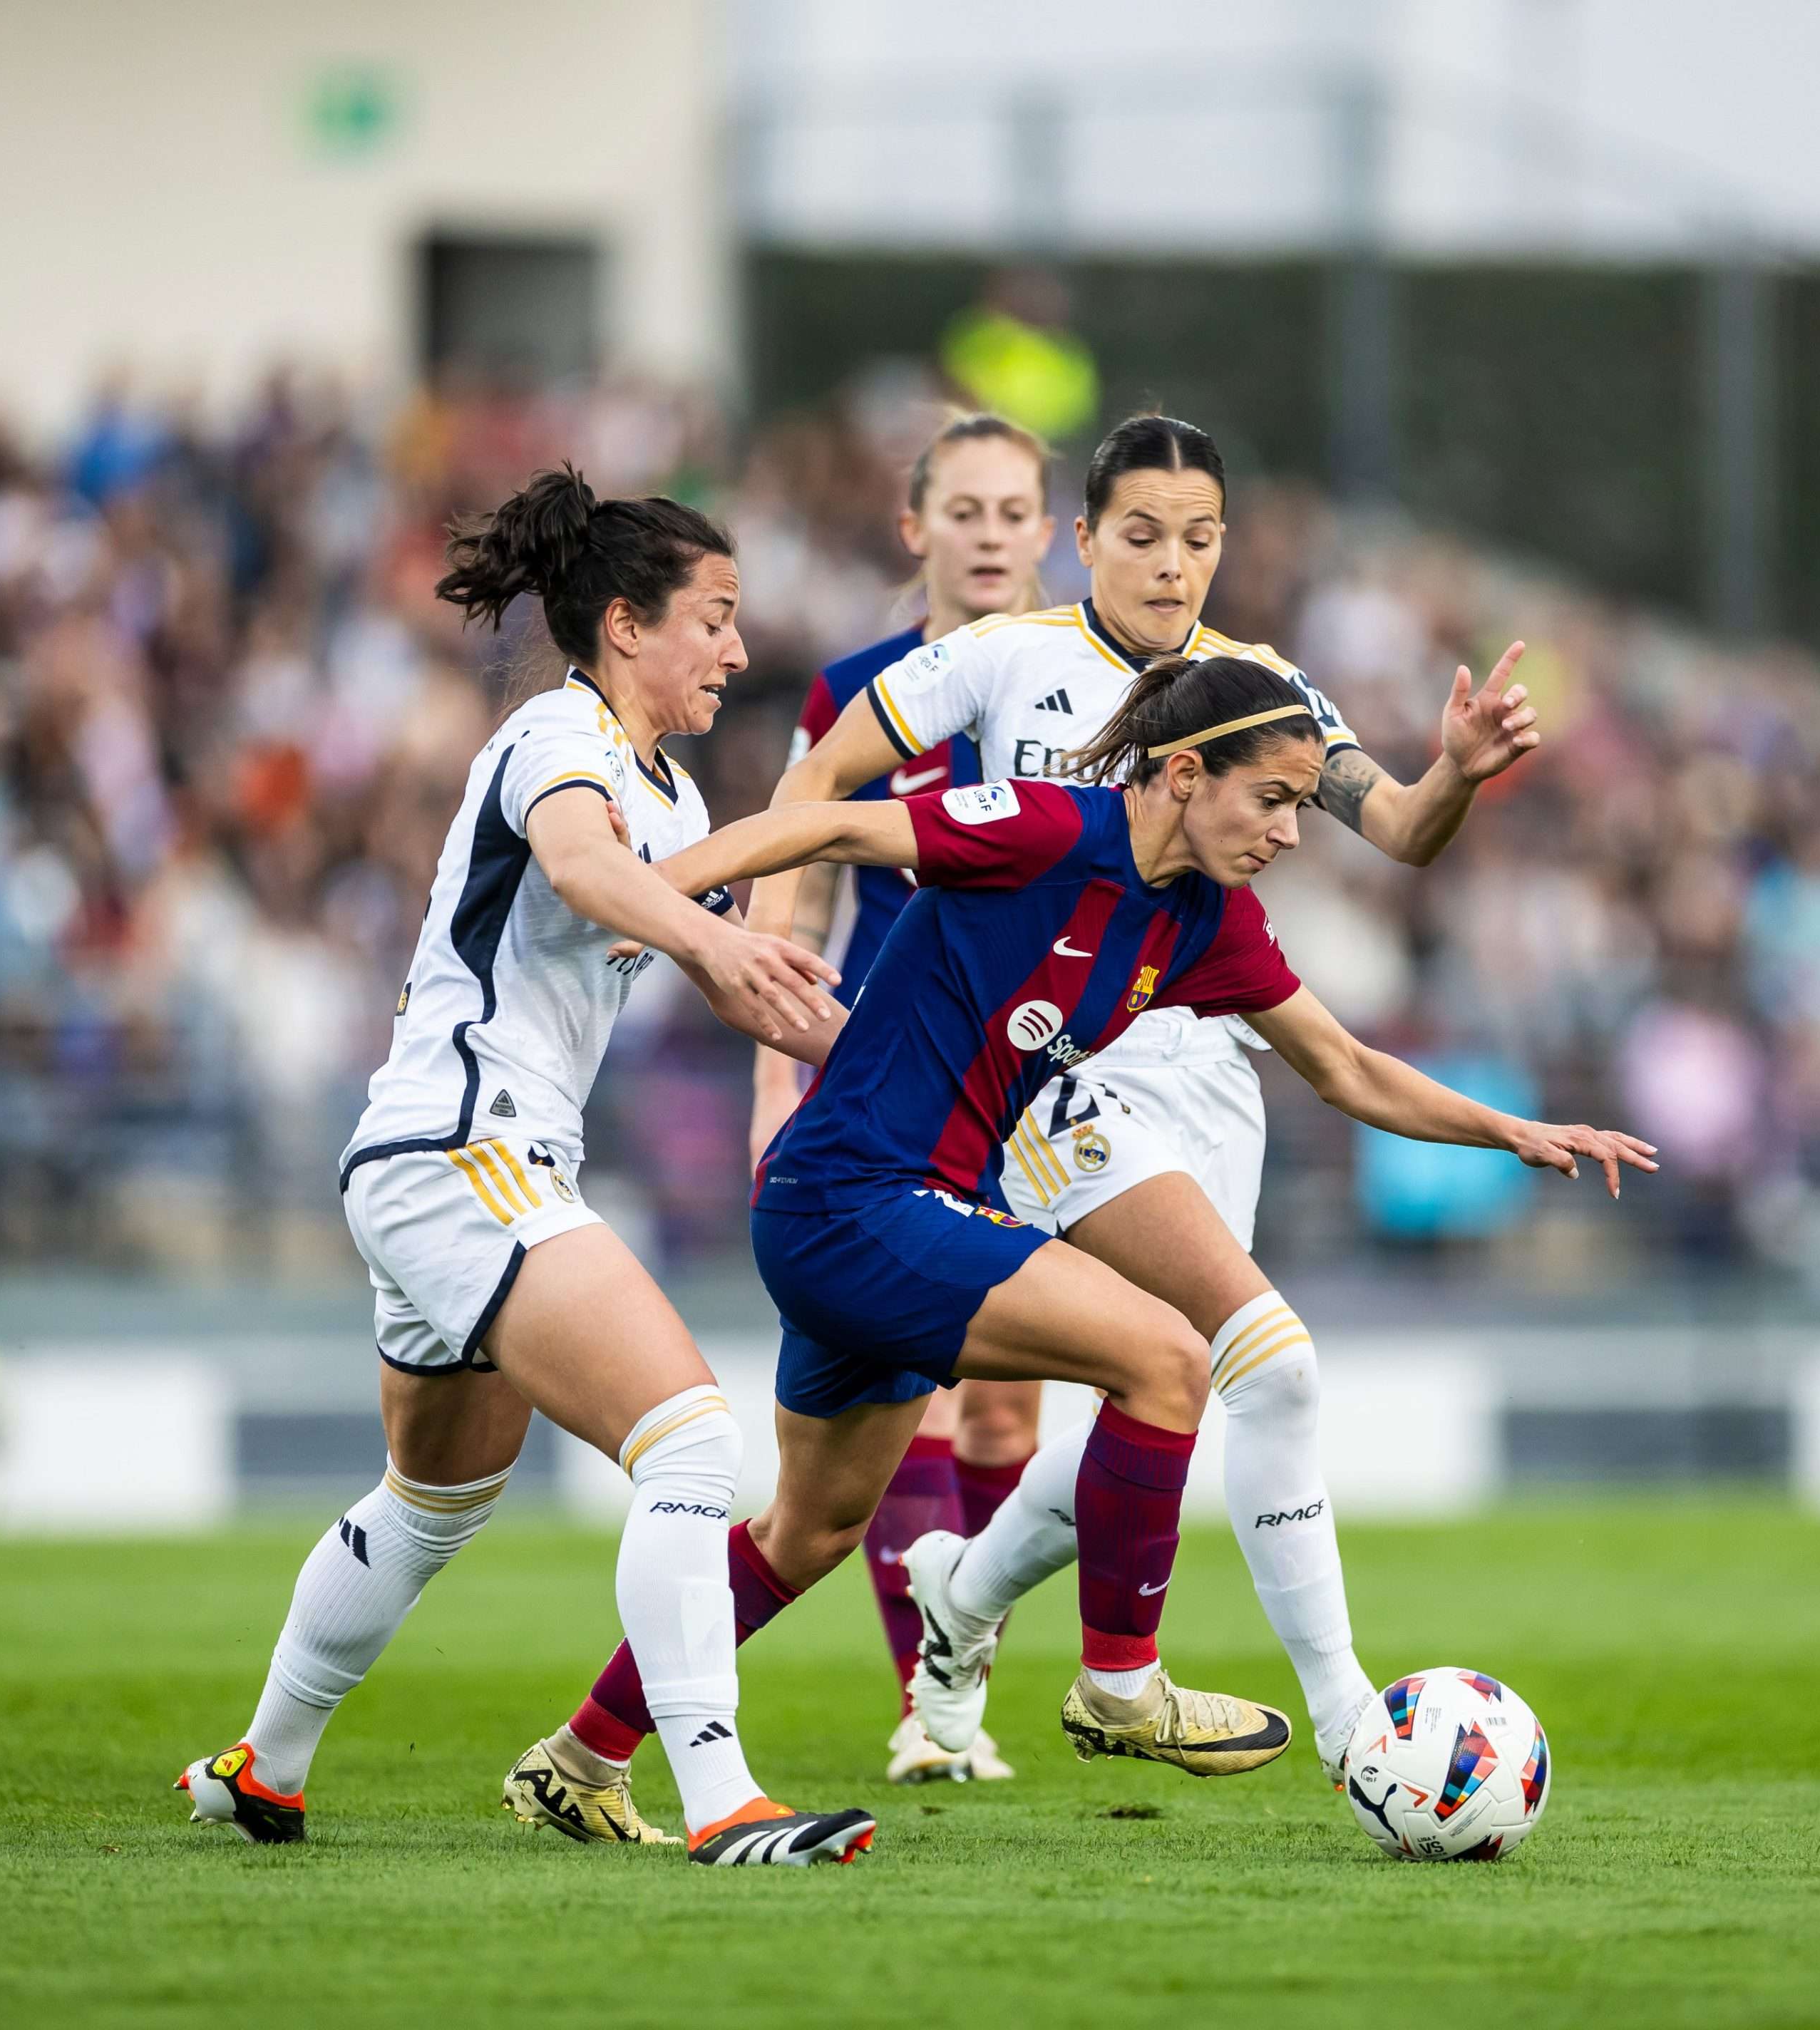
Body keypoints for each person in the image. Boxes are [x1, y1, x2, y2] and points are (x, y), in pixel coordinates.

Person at [518, 654, 1651, 1828]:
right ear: (1182, 772)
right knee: (1166, 1356)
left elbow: (1348, 1067)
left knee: (808, 1532)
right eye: (1271, 799)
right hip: (851, 1195)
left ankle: (582, 1757)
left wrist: (1514, 1128)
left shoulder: (1207, 920)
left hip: (894, 1212)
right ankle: (1119, 1682)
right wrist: (669, 909)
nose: (1291, 833)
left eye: (1303, 808)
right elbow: (835, 825)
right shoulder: (1049, 826)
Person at [751, 413, 1546, 1780]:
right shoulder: (1010, 654)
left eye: (1199, 537)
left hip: (1210, 1060)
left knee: (1159, 1387)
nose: (1173, 566)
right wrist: (773, 982)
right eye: (1142, 535)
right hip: (1066, 1067)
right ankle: (1337, 1714)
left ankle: (962, 1594)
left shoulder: (1263, 687)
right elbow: (825, 781)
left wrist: (1458, 776)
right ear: (1086, 537)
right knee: (1265, 1362)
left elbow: (1403, 829)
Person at [174, 465, 875, 1868]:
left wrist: (870, 1049)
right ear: (625, 624)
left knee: (433, 1497)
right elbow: (574, 866)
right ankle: (726, 1794)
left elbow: (739, 968)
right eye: (715, 617)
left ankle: (264, 1765)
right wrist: (714, 939)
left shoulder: (672, 803)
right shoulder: (560, 735)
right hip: (464, 1152)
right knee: (690, 1440)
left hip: (443, 1160)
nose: (739, 649)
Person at [751, 411, 1054, 1785]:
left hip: (1048, 1085)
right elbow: (803, 876)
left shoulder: (1096, 689)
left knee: (1007, 1414)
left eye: (1014, 511)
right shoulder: (865, 689)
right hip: (900, 1094)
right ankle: (936, 1710)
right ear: (915, 527)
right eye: (967, 510)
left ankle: (951, 1672)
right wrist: (777, 1074)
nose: (990, 533)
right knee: (919, 1406)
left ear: (1051, 533)